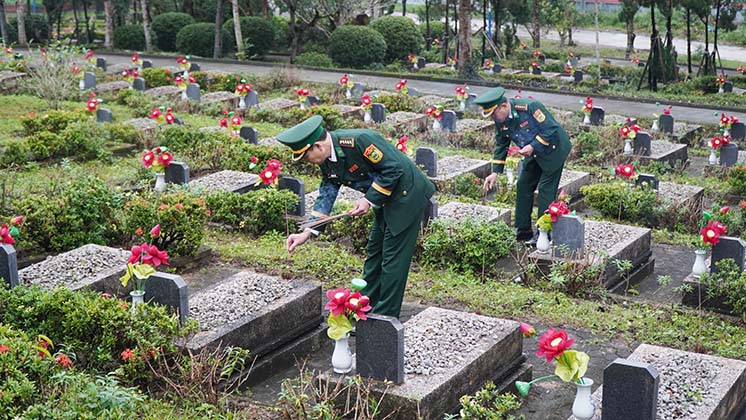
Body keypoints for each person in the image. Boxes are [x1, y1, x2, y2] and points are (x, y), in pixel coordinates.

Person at [277, 115, 436, 318]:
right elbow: (327, 192)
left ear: (318, 146)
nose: (308, 162)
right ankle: (363, 309)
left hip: (408, 194)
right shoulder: (327, 160)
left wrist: (368, 200)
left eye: (306, 156)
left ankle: (384, 319)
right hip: (386, 197)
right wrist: (306, 232)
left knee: (392, 260)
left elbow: (393, 169)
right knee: (374, 255)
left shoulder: (359, 141)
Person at [474, 87, 572, 245]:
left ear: (504, 106)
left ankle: (544, 233)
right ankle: (523, 230)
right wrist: (495, 173)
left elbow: (552, 128)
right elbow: (501, 144)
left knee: (546, 189)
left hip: (553, 151)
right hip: (532, 153)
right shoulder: (501, 120)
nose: (493, 118)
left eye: (493, 113)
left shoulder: (530, 108)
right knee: (523, 184)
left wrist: (533, 145)